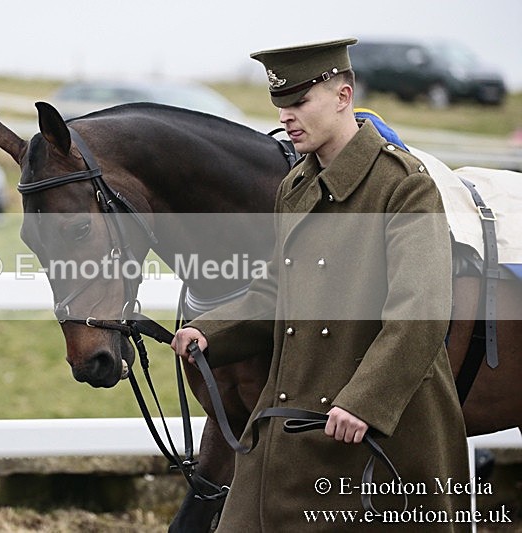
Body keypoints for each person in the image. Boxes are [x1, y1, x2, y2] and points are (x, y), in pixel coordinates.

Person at [172, 38, 470, 531]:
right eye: (281, 106)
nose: (287, 117)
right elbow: (274, 291)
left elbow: (420, 312)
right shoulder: (296, 185)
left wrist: (365, 401)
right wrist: (211, 331)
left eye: (299, 103)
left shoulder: (404, 184)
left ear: (343, 96)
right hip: (287, 427)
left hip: (376, 438)